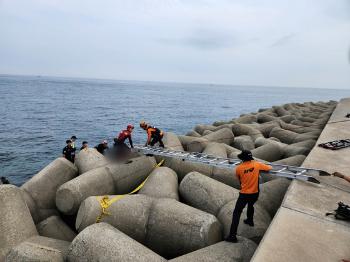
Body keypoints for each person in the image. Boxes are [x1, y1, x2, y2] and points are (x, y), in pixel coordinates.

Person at [225, 150, 272, 243]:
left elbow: (240, 180)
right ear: (250, 158)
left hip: (244, 194)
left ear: (242, 158)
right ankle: (250, 221)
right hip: (255, 193)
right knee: (251, 205)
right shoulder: (257, 164)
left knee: (237, 213)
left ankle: (232, 236)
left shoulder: (239, 168)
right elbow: (269, 168)